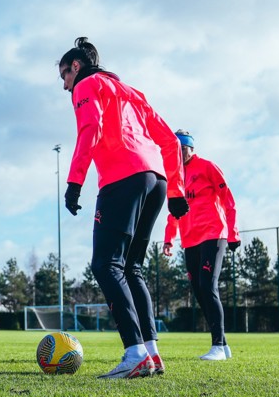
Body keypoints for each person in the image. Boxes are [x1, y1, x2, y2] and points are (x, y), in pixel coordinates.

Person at [59, 37, 188, 379]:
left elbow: (90, 128)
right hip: (155, 178)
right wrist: (175, 189)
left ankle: (134, 354)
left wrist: (74, 182)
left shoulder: (87, 84)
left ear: (76, 65)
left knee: (105, 264)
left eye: (64, 76)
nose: (64, 86)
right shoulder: (129, 90)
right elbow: (169, 140)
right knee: (132, 268)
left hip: (122, 177)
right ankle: (153, 354)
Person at [163, 130, 239, 361]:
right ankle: (223, 345)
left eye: (184, 148)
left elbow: (228, 199)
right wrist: (169, 239)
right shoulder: (174, 177)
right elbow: (173, 213)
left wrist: (233, 232)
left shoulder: (207, 167)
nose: (181, 153)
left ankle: (216, 345)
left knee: (208, 286)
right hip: (189, 240)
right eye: (177, 149)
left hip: (213, 233)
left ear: (191, 148)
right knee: (199, 290)